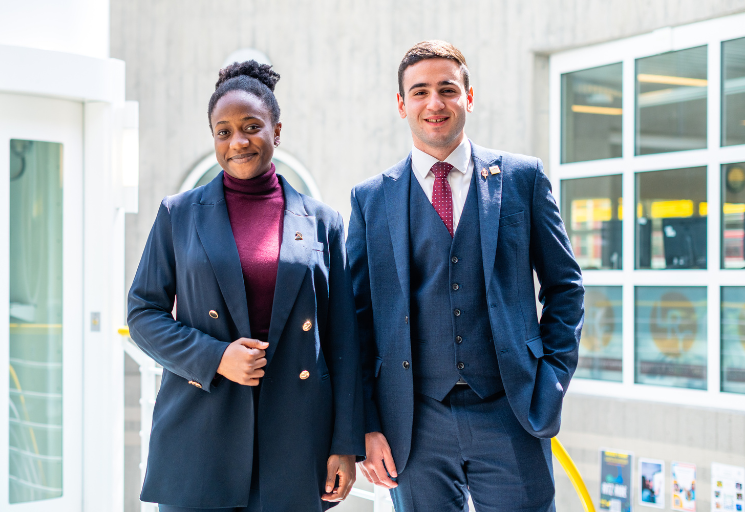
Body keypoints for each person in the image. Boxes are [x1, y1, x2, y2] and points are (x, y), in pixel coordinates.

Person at [347, 41, 584, 511]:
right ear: (401, 105)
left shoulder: (522, 178)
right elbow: (356, 319)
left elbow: (565, 286)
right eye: (419, 92)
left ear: (468, 98)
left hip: (512, 410)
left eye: (447, 89)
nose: (434, 103)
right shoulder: (370, 199)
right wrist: (366, 423)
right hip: (413, 423)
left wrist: (551, 380)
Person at [128, 60, 364, 512]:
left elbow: (343, 342)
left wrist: (345, 443)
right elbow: (142, 313)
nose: (238, 141)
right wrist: (216, 357)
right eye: (223, 131)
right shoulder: (178, 214)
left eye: (251, 126)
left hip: (296, 442)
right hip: (200, 437)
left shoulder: (322, 222)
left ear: (277, 131)